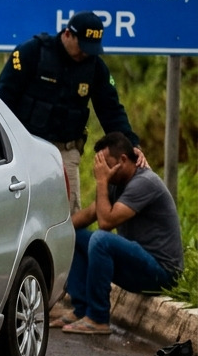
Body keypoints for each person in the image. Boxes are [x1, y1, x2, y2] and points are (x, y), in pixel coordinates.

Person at [0, 11, 138, 214]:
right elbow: (2, 100)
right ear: (68, 34)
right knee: (20, 210)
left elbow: (111, 109)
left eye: (91, 49)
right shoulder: (32, 52)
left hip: (66, 150)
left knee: (67, 214)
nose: (85, 54)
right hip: (26, 148)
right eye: (82, 47)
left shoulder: (95, 67)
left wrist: (132, 145)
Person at [56, 132, 183, 335]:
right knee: (76, 236)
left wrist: (101, 182)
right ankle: (82, 309)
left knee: (100, 239)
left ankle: (98, 318)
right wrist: (55, 231)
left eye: (106, 163)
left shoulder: (144, 182)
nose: (101, 169)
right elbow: (89, 214)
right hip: (138, 264)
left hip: (162, 271)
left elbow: (105, 222)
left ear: (123, 159)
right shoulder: (116, 184)